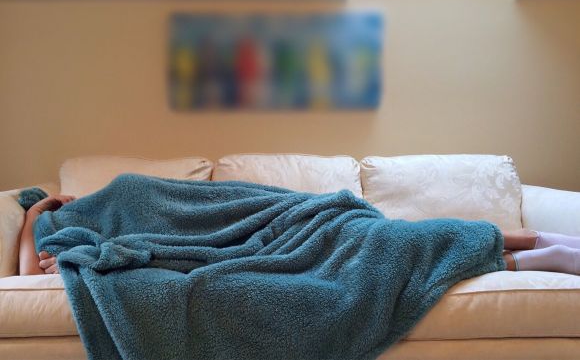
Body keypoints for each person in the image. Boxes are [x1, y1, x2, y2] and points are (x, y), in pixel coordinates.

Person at [18, 194, 580, 276]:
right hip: (279, 246)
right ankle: (545, 256)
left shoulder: (111, 198)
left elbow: (187, 206)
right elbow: (17, 276)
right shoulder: (53, 231)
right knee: (396, 245)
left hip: (304, 218)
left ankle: (543, 242)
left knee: (395, 231)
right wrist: (35, 208)